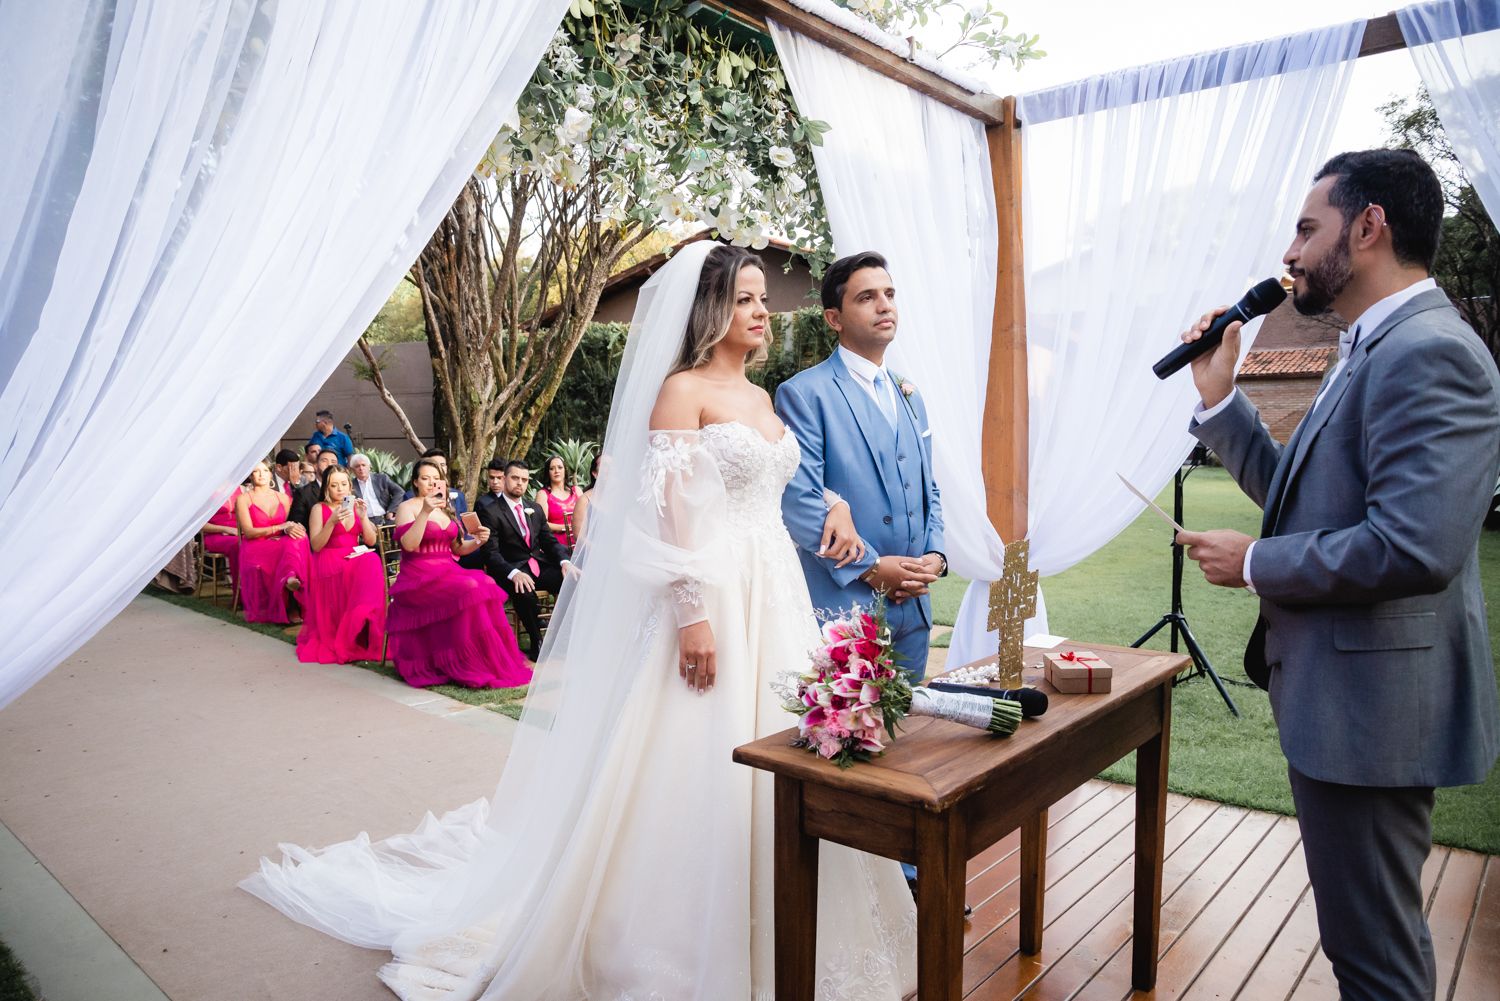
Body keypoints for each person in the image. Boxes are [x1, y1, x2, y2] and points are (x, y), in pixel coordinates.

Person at [242, 241, 912, 1001]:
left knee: (789, 757)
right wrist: (692, 615)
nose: (763, 312)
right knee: (703, 757)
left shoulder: (762, 399)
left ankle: (791, 929)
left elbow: (769, 491)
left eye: (764, 300)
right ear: (712, 309)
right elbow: (665, 517)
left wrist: (831, 503)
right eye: (749, 299)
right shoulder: (681, 391)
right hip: (713, 596)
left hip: (777, 597)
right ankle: (675, 949)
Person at [1175, 149, 1500, 1001]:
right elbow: (1308, 493)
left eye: (1307, 227)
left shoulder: (1430, 352)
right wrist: (1219, 401)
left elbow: (1411, 546)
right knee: (1360, 940)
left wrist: (1253, 563)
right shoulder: (1367, 346)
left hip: (1375, 716)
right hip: (1345, 705)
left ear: (1368, 227)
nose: (1290, 250)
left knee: (1374, 956)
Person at [777, 250, 947, 683]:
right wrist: (873, 569)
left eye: (889, 294)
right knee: (850, 743)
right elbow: (801, 503)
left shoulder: (911, 394)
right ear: (834, 318)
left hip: (915, 609)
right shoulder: (804, 395)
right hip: (845, 609)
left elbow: (929, 487)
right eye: (867, 297)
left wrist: (936, 555)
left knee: (908, 740)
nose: (885, 304)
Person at [380, 459, 530, 689]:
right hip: (417, 578)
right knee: (470, 587)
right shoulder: (407, 507)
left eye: (435, 478)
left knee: (486, 582)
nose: (431, 483)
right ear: (415, 482)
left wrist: (479, 541)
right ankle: (465, 659)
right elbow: (409, 545)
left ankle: (486, 659)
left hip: (447, 569)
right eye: (425, 478)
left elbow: (458, 549)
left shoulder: (446, 509)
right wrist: (424, 512)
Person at [475, 459, 573, 660]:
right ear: (504, 479)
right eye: (515, 478)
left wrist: (565, 562)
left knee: (573, 581)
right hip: (510, 569)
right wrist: (514, 573)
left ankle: (564, 638)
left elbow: (550, 542)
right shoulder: (490, 511)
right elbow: (490, 553)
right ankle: (537, 642)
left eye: (525, 480)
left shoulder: (534, 509)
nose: (520, 483)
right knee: (524, 590)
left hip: (539, 565)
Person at [295, 465, 386, 665]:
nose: (340, 489)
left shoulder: (355, 506)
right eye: (334, 485)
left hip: (353, 557)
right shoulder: (319, 509)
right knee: (369, 562)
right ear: (326, 488)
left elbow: (370, 542)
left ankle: (363, 620)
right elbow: (316, 545)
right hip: (328, 559)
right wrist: (331, 522)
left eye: (344, 484)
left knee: (372, 559)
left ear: (350, 485)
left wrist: (363, 517)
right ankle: (352, 627)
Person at [234, 461, 308, 624]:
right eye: (256, 471)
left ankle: (291, 585)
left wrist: (291, 528)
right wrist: (279, 528)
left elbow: (289, 525)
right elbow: (249, 532)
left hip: (279, 543)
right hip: (255, 545)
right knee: (289, 548)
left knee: (299, 537)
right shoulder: (243, 499)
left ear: (270, 474)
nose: (261, 474)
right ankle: (291, 598)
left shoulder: (284, 498)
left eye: (265, 470)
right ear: (251, 476)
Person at [201, 475, 249, 586]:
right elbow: (200, 526)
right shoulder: (206, 491)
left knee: (258, 542)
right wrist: (227, 529)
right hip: (215, 535)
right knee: (238, 545)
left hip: (240, 532)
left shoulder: (241, 489)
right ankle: (240, 589)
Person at [404, 447, 468, 516]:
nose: (439, 468)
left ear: (446, 468)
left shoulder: (459, 495)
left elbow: (463, 523)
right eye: (434, 464)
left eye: (442, 465)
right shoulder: (409, 498)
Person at [534, 455, 581, 549]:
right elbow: (541, 523)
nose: (556, 471)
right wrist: (566, 527)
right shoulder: (543, 494)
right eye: (552, 468)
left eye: (560, 467)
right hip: (556, 547)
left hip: (579, 544)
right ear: (548, 472)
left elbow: (587, 517)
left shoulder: (576, 491)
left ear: (565, 470)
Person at [348, 453, 402, 524]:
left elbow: (399, 492)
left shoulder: (382, 478)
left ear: (369, 467)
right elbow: (347, 507)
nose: (361, 468)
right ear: (352, 470)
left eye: (363, 465)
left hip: (386, 518)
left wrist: (391, 511)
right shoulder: (349, 485)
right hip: (365, 522)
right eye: (357, 466)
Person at [571, 453, 601, 547]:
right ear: (595, 474)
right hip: (593, 553)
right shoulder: (585, 500)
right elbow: (579, 537)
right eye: (605, 466)